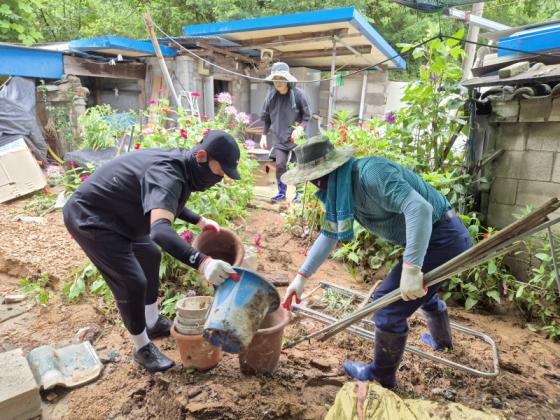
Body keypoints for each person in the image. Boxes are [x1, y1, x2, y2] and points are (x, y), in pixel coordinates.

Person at [281, 136, 472, 388]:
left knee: (386, 306)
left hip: (443, 238)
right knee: (419, 291)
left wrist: (412, 267)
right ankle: (442, 342)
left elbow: (419, 209)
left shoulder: (371, 174)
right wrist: (301, 277)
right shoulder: (341, 191)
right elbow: (329, 234)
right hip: (439, 237)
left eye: (314, 178)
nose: (315, 185)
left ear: (330, 171)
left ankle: (381, 377)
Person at [63, 130, 241, 373]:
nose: (218, 180)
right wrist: (203, 262)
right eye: (218, 173)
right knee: (132, 281)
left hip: (121, 213)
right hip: (92, 218)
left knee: (151, 255)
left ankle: (152, 321)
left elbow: (164, 198)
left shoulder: (184, 164)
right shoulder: (168, 172)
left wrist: (198, 220)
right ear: (201, 156)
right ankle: (141, 348)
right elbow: (159, 231)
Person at [260, 62, 311, 202]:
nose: (279, 82)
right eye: (276, 79)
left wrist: (300, 128)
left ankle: (299, 193)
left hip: (296, 138)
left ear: (288, 79)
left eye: (282, 78)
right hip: (279, 138)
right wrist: (263, 136)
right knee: (280, 165)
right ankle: (282, 192)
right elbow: (266, 119)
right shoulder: (271, 97)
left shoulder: (299, 94)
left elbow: (307, 117)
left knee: (297, 165)